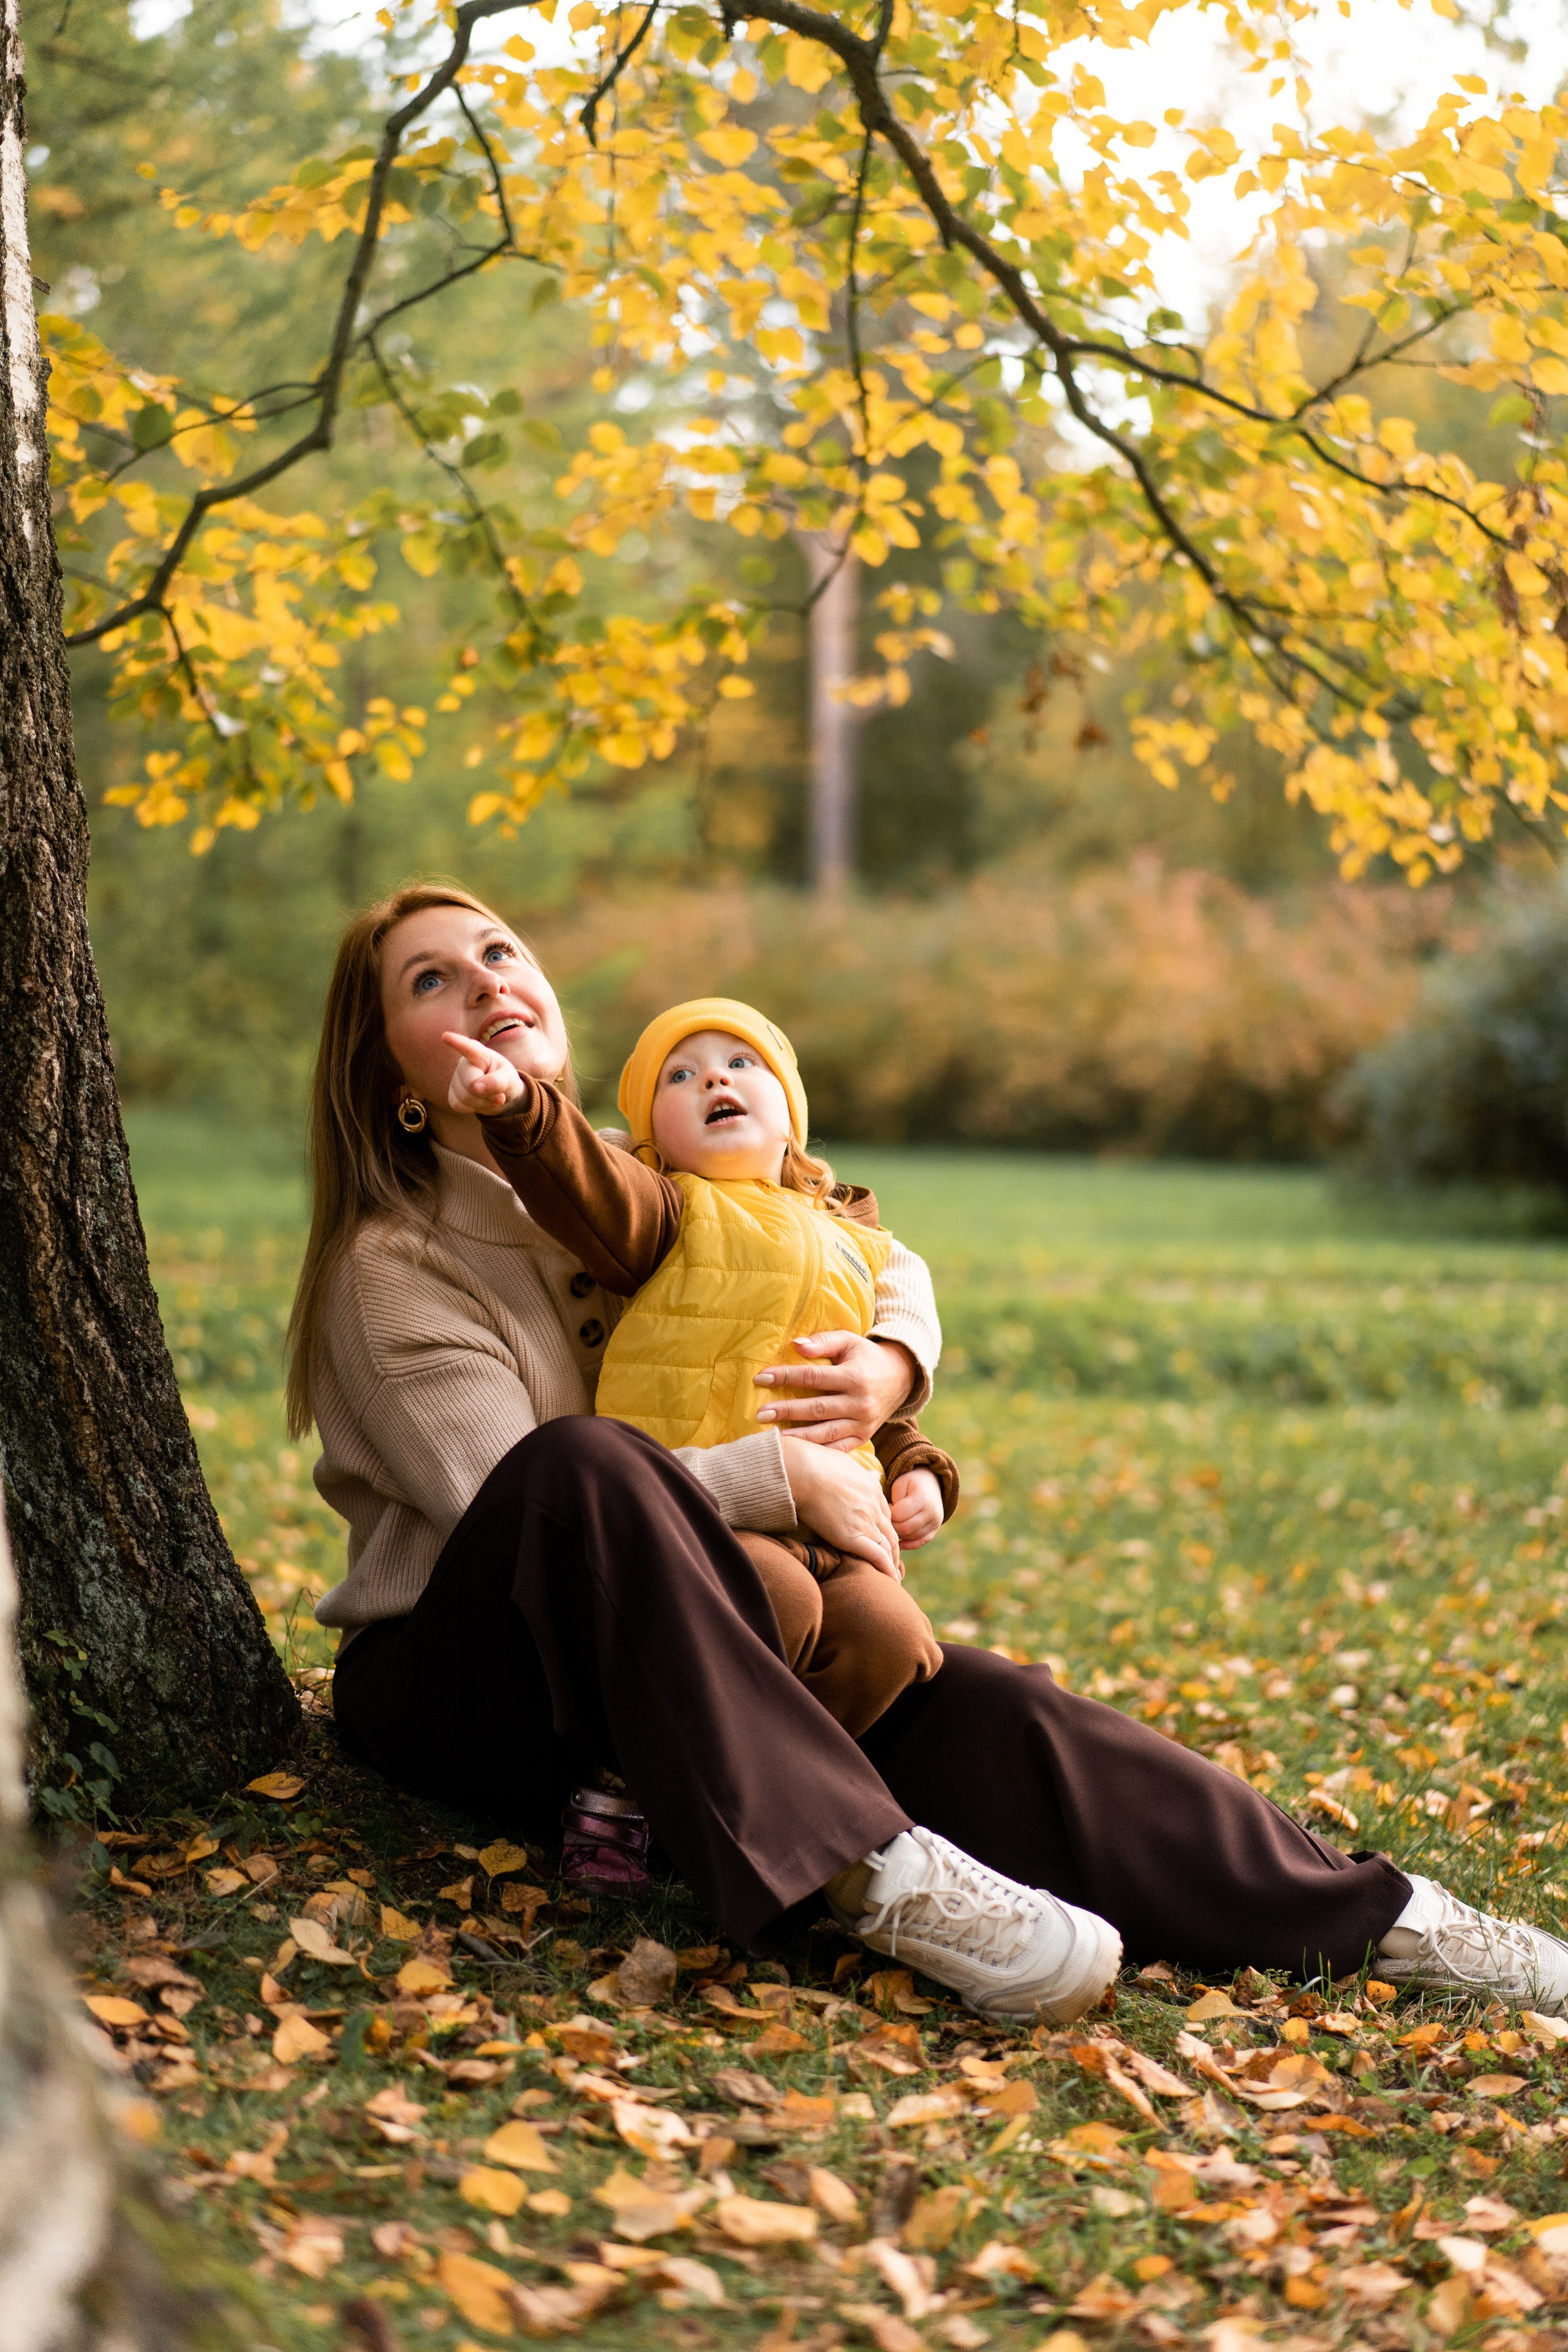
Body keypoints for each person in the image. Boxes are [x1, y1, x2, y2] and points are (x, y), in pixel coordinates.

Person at [290, 880, 1568, 2023]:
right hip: (482, 1687)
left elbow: (856, 1256)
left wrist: (891, 1367)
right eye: (432, 981)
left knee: (992, 1709)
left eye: (499, 953)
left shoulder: (677, 1182)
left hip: (689, 1669)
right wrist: (782, 1477)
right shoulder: (393, 1263)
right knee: (579, 1464)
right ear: (393, 1074)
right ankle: (874, 1875)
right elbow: (511, 1511)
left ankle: (1383, 1922)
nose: (486, 985)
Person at [437, 994, 952, 1741]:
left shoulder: (853, 1241)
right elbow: (584, 1182)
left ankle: (788, 1776)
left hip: (843, 1534)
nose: (714, 1080)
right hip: (716, 1515)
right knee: (774, 1604)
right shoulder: (668, 1210)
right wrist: (521, 1110)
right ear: (656, 1140)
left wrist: (919, 1471)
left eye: (741, 1062)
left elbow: (864, 1399)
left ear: (790, 1114)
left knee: (893, 1640)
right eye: (679, 1076)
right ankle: (648, 1770)